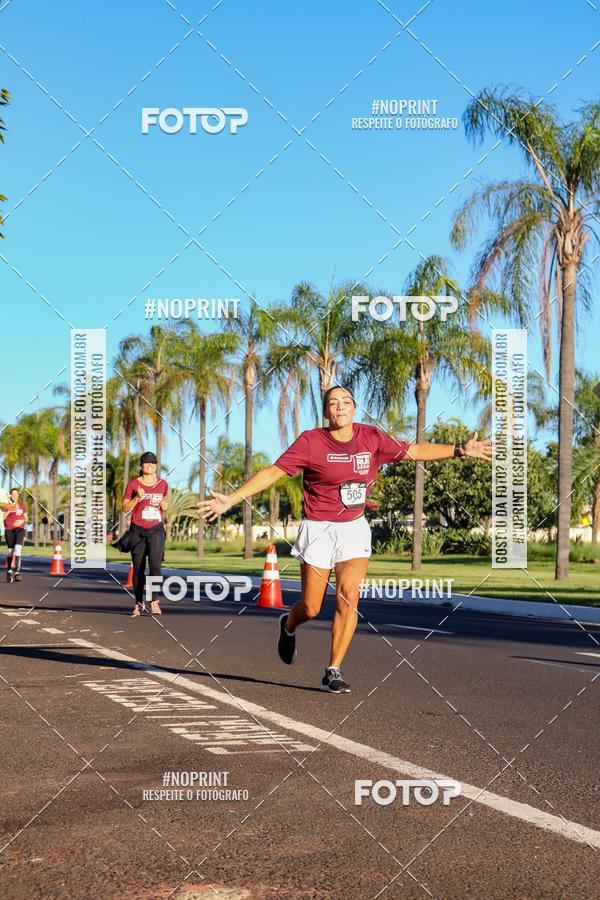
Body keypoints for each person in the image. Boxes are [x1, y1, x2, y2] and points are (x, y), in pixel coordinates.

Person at [200, 385, 492, 693]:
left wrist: (460, 449)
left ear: (354, 409)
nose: (340, 407)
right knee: (311, 607)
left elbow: (413, 451)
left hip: (354, 527)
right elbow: (273, 472)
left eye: (346, 402)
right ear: (326, 412)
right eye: (333, 403)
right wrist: (231, 500)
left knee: (349, 595)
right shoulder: (311, 442)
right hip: (318, 529)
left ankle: (333, 669)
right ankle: (288, 624)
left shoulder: (372, 438)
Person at [122, 452, 169, 617]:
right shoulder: (133, 484)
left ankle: (154, 601)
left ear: (156, 465)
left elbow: (165, 503)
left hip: (156, 529)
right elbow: (125, 508)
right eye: (146, 463)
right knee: (138, 569)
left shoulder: (163, 484)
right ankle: (138, 603)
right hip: (138, 530)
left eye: (153, 463)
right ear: (141, 466)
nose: (150, 465)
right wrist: (136, 498)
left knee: (156, 566)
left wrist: (165, 505)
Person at [3, 487, 28, 582]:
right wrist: (11, 509)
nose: (15, 495)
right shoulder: (7, 506)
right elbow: (4, 517)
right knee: (10, 551)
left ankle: (17, 573)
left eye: (16, 494)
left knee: (18, 550)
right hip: (9, 530)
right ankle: (9, 571)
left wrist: (21, 520)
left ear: (18, 495)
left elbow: (26, 518)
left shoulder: (22, 506)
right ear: (10, 495)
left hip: (20, 530)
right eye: (13, 494)